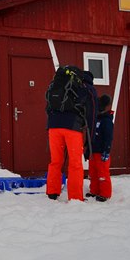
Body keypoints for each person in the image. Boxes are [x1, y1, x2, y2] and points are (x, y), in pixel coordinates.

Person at [46, 70, 97, 201]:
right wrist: (90, 139)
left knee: (56, 161)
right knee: (75, 164)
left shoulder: (57, 85)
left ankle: (52, 192)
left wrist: (54, 121)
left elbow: (48, 106)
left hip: (53, 127)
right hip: (72, 128)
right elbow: (92, 116)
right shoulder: (87, 88)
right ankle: (75, 197)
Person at [87, 94, 114, 202]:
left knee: (103, 174)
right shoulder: (94, 120)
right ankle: (94, 190)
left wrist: (106, 151)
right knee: (92, 174)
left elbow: (108, 138)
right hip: (93, 152)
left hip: (102, 152)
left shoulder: (106, 121)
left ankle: (105, 193)